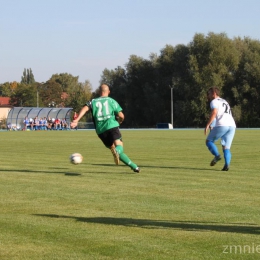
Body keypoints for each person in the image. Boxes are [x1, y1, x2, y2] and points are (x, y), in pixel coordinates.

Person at [70, 83, 140, 173]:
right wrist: (120, 121)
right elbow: (121, 115)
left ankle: (135, 167)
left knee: (113, 149)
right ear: (109, 92)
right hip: (112, 126)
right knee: (119, 147)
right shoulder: (111, 101)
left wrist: (76, 120)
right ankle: (118, 152)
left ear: (99, 92)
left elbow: (85, 108)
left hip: (101, 131)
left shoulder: (93, 101)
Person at [204, 87, 236, 171]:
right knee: (226, 147)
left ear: (214, 93)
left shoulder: (214, 102)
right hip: (232, 125)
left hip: (222, 125)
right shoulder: (224, 101)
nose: (209, 95)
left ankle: (217, 156)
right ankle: (227, 165)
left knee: (209, 141)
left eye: (210, 93)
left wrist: (208, 124)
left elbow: (214, 112)